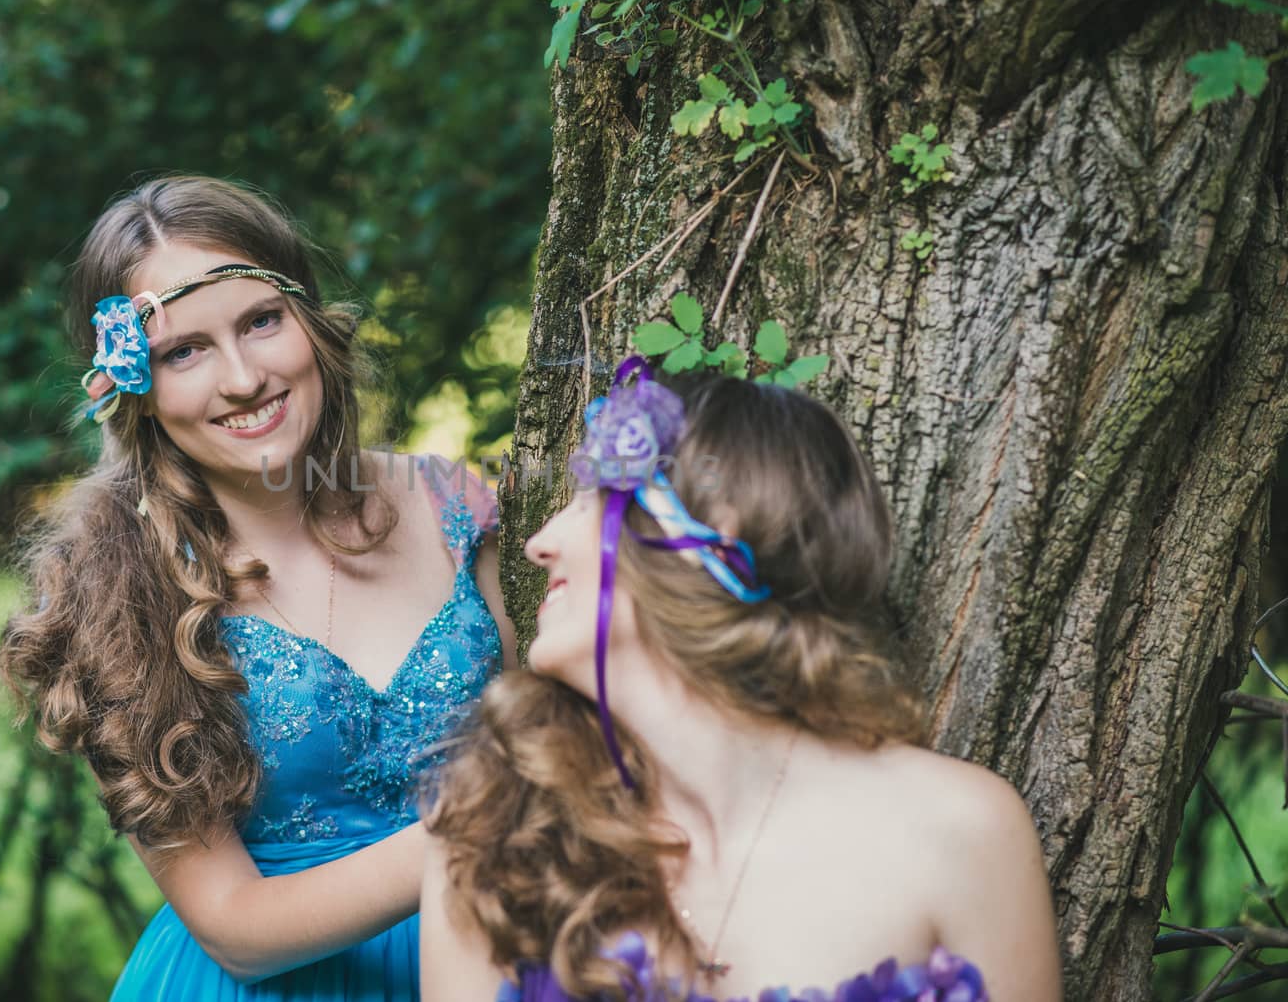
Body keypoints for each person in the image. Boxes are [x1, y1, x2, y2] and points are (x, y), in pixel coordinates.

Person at [0, 175, 515, 1001]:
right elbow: (236, 929)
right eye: (183, 352)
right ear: (134, 386)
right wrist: (482, 833)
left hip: (494, 962)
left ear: (308, 317)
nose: (241, 378)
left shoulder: (450, 504)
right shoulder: (117, 593)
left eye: (260, 322)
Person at [420, 360, 1061, 1002]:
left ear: (719, 524)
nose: (538, 543)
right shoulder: (490, 837)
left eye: (591, 499)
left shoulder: (960, 831)